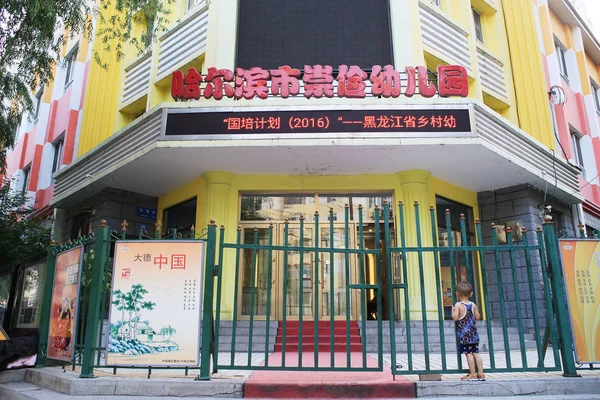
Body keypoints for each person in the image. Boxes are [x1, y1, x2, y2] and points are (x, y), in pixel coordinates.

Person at [452, 281, 485, 381]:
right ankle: (480, 373)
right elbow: (478, 317)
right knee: (476, 353)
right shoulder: (473, 305)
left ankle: (472, 373)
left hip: (464, 335)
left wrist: (453, 311)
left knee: (468, 353)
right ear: (471, 294)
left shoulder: (458, 305)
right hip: (474, 334)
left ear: (457, 294)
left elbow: (455, 318)